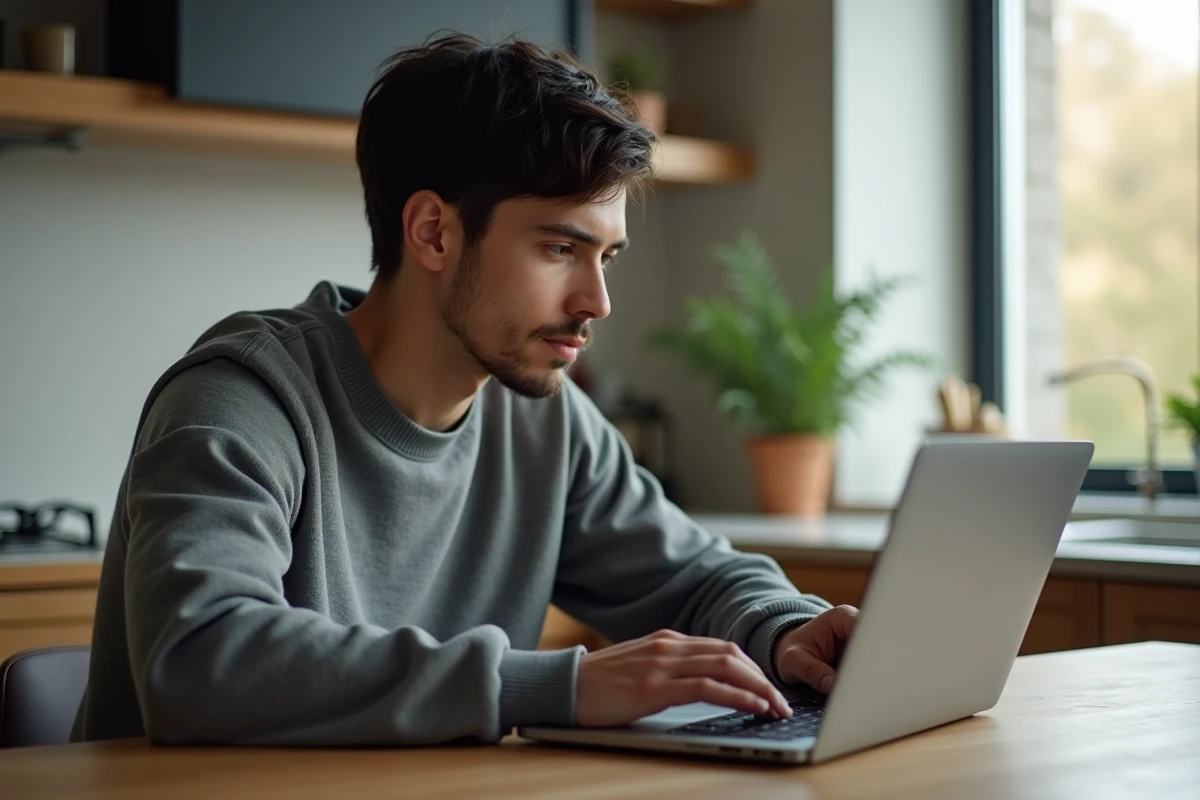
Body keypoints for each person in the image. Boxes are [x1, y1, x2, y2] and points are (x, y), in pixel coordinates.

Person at [71, 33, 857, 746]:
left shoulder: (545, 423)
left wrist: (788, 629)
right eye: (560, 247)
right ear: (433, 232)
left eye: (606, 257)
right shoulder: (241, 400)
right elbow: (200, 658)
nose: (597, 302)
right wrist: (559, 684)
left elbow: (692, 576)